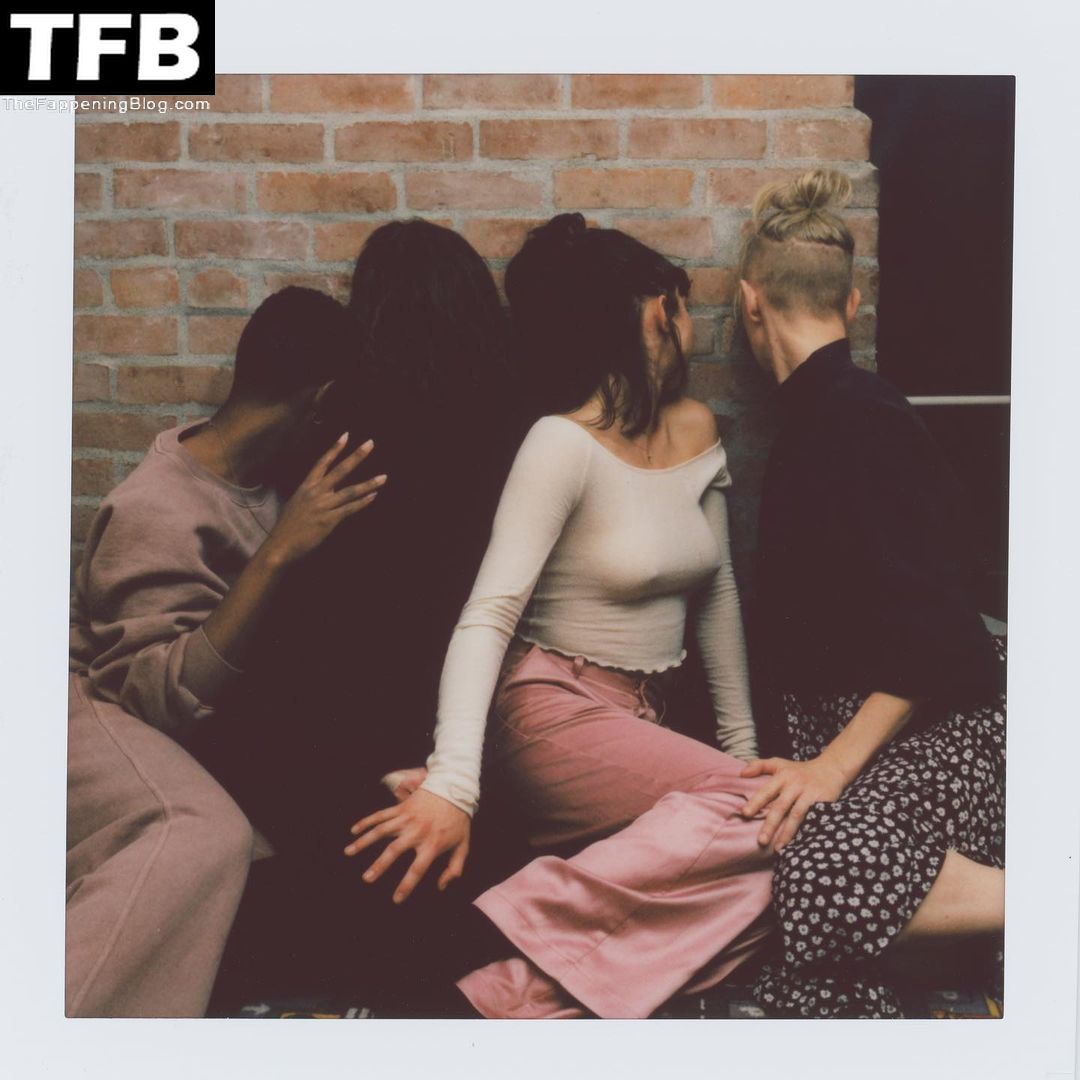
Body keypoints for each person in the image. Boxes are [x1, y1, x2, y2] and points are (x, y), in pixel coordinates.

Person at [347, 214, 775, 1019]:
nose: (695, 325)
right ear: (658, 311)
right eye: (685, 306)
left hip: (641, 720)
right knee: (783, 826)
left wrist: (743, 758)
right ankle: (520, 921)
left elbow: (718, 597)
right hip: (550, 711)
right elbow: (489, 614)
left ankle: (508, 994)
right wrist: (454, 783)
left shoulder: (696, 429)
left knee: (775, 848)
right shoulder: (560, 443)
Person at [200, 220, 528, 1008]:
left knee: (379, 871)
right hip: (430, 726)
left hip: (312, 726)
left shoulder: (338, 435)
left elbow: (328, 627)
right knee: (444, 881)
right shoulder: (511, 433)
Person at [732, 169, 1006, 1017]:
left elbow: (939, 633)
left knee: (820, 878)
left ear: (748, 303)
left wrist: (831, 767)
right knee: (804, 971)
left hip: (948, 729)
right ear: (851, 305)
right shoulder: (822, 416)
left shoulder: (861, 417)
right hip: (882, 735)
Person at [66, 286, 381, 1016]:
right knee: (205, 838)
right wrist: (276, 555)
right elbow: (150, 698)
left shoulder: (269, 481)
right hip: (96, 709)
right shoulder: (154, 507)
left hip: (196, 726)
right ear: (322, 399)